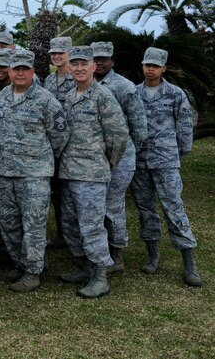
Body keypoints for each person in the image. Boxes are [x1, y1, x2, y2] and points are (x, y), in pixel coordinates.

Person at [0, 50, 69, 292]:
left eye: (24, 69)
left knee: (34, 224)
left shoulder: (46, 100)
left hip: (34, 174)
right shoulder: (4, 95)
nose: (19, 73)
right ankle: (20, 263)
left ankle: (34, 271)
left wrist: (40, 158)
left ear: (33, 71)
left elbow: (60, 135)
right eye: (15, 68)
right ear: (9, 71)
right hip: (6, 171)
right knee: (8, 222)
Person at [57, 46, 128, 299]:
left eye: (83, 64)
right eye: (74, 64)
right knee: (70, 224)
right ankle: (85, 267)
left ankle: (100, 276)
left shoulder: (103, 96)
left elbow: (119, 137)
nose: (78, 68)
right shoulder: (69, 96)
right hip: (68, 172)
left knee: (92, 226)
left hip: (92, 175)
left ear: (93, 67)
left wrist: (106, 164)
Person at [132, 47, 200, 286]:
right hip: (140, 162)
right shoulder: (134, 93)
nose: (150, 69)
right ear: (142, 66)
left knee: (173, 207)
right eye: (146, 64)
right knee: (146, 209)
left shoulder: (175, 94)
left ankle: (189, 263)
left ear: (163, 68)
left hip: (166, 161)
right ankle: (152, 256)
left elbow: (184, 126)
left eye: (155, 65)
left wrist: (178, 153)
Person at [91, 41, 148, 274]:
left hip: (120, 157)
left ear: (112, 61)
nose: (100, 62)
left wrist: (126, 151)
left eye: (105, 58)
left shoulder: (124, 86)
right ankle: (97, 250)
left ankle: (117, 253)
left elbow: (138, 125)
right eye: (96, 58)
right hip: (94, 157)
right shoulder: (83, 84)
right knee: (95, 205)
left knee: (112, 205)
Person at [44, 36, 75, 249]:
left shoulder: (77, 77)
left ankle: (74, 237)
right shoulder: (49, 80)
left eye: (60, 53)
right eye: (53, 53)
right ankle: (62, 234)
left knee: (70, 194)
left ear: (69, 54)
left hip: (72, 143)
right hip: (52, 142)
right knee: (56, 192)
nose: (56, 56)